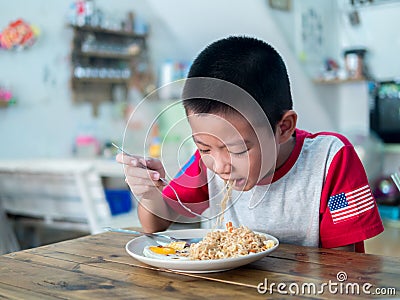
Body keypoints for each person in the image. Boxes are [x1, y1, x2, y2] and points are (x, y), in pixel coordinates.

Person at [117, 36, 384, 252]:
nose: (220, 165)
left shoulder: (330, 160)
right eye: (204, 148)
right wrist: (150, 192)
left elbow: (344, 268)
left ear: (284, 127)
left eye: (238, 149)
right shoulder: (207, 163)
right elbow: (155, 224)